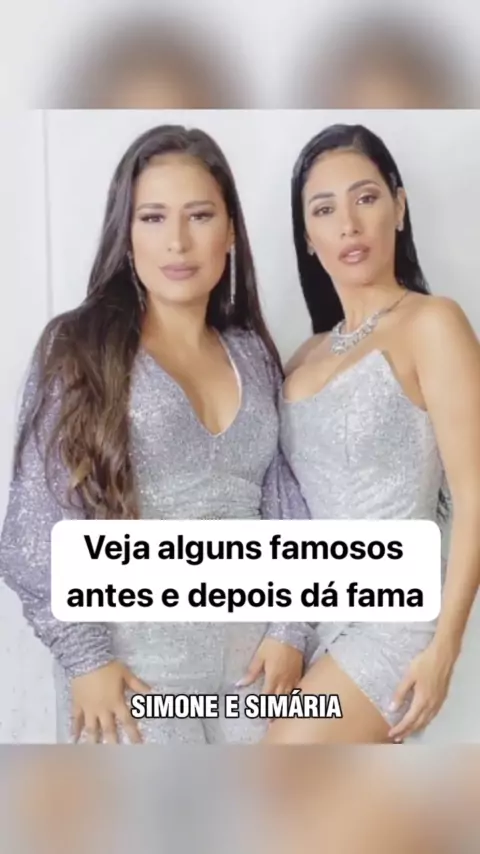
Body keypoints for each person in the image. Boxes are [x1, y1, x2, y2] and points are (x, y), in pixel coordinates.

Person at [0, 124, 312, 745]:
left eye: (200, 215)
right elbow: (35, 523)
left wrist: (291, 629)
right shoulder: (80, 347)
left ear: (230, 231)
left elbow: (285, 506)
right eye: (152, 217)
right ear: (126, 233)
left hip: (253, 679)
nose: (177, 241)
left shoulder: (252, 353)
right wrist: (85, 657)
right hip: (131, 678)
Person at [265, 123, 480, 744]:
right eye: (324, 210)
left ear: (399, 206)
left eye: (365, 198)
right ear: (308, 237)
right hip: (310, 621)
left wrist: (444, 650)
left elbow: (475, 496)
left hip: (395, 622)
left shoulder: (433, 323)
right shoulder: (301, 356)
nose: (349, 226)